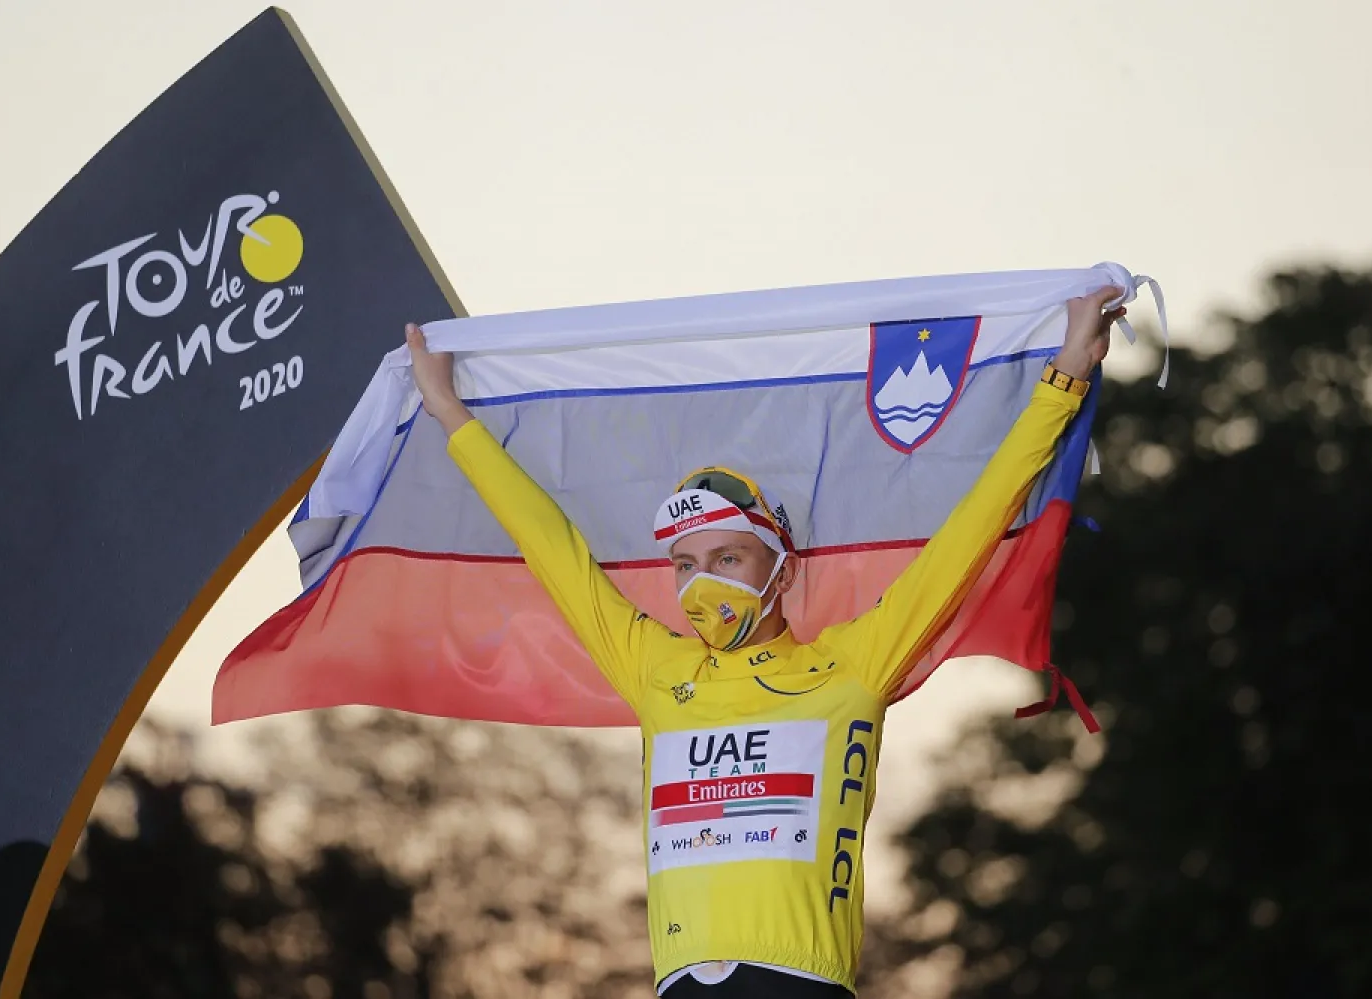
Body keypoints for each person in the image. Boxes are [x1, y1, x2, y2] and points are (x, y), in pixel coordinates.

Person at [403, 285, 1123, 998]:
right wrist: (449, 412)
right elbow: (549, 545)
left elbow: (974, 524)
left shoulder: (851, 665)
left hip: (800, 979)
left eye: (726, 559)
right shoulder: (657, 668)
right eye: (684, 565)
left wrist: (1066, 376)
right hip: (680, 981)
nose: (699, 584)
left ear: (780, 571)